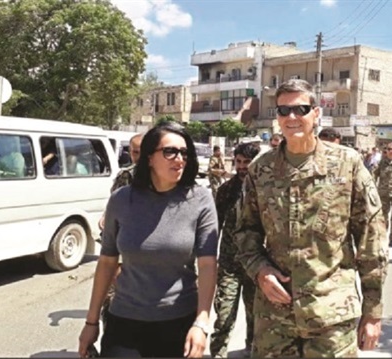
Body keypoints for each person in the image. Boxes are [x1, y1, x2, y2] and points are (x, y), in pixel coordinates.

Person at [233, 79, 388, 358]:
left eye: (300, 109)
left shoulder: (347, 164)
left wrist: (373, 312)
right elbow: (245, 231)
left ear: (316, 114)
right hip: (274, 317)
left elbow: (371, 240)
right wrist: (260, 270)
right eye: (283, 111)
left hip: (331, 314)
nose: (291, 117)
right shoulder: (261, 170)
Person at [78, 122, 218, 358]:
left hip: (178, 322)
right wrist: (91, 323)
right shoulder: (122, 200)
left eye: (184, 152)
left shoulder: (200, 200)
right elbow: (107, 262)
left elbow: (207, 265)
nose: (179, 159)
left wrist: (201, 322)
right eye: (170, 151)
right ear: (149, 158)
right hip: (124, 321)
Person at [210, 142, 260, 358]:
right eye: (238, 162)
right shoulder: (225, 191)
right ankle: (218, 353)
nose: (241, 167)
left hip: (256, 264)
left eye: (246, 162)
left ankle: (252, 348)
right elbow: (213, 227)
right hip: (229, 265)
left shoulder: (265, 189)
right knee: (223, 314)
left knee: (255, 315)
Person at [98, 132, 144, 327]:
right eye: (134, 152)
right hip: (123, 243)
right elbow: (114, 205)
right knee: (111, 301)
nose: (138, 157)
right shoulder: (126, 176)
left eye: (142, 152)